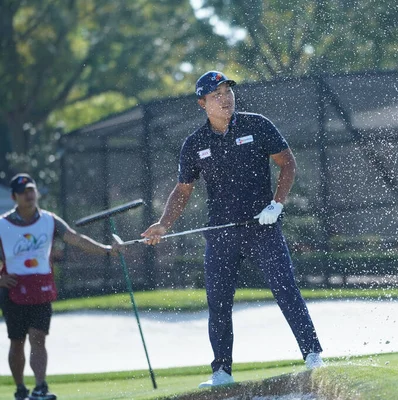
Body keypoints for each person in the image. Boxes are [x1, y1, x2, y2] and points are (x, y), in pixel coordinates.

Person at [141, 70, 324, 388]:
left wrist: (276, 205)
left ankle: (312, 355)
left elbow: (288, 163)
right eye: (216, 95)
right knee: (219, 302)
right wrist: (163, 223)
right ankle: (221, 371)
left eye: (227, 92)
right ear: (203, 103)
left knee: (285, 289)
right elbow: (183, 190)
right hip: (221, 233)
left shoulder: (257, 124)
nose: (225, 99)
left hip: (263, 227)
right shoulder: (195, 143)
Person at [0, 173, 120, 400]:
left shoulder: (49, 220)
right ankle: (20, 390)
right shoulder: (2, 224)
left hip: (41, 288)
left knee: (38, 337)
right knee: (17, 342)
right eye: (24, 191)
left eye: (31, 190)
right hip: (13, 290)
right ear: (14, 197)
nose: (29, 195)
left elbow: (76, 239)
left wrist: (106, 249)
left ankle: (40, 388)